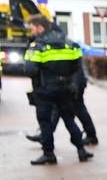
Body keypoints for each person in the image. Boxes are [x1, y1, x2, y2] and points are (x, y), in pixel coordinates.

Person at [24, 15, 93, 165]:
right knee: (69, 119)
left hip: (45, 90)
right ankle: (81, 150)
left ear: (39, 28)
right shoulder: (69, 43)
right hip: (66, 88)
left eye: (32, 28)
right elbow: (77, 66)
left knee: (45, 122)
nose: (31, 31)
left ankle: (48, 153)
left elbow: (29, 69)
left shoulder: (37, 46)